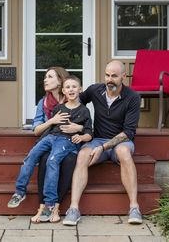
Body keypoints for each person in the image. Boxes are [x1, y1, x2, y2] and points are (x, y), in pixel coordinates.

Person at [62, 60, 142, 226]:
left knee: (123, 152)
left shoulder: (133, 97)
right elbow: (74, 103)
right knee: (83, 155)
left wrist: (103, 147)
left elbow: (128, 133)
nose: (109, 79)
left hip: (121, 142)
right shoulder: (95, 90)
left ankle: (134, 207)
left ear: (123, 77)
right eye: (107, 75)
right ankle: (73, 208)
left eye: (114, 76)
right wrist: (80, 126)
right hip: (97, 139)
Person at [8, 75, 92, 222]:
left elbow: (89, 133)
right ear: (63, 92)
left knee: (52, 161)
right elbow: (52, 127)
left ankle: (50, 202)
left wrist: (81, 136)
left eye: (74, 87)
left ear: (80, 89)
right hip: (51, 137)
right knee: (31, 156)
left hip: (66, 140)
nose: (71, 89)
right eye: (67, 87)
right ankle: (20, 191)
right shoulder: (58, 108)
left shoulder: (84, 111)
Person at [29, 67, 83, 224]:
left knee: (69, 161)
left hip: (70, 143)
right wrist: (52, 121)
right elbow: (36, 130)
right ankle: (43, 207)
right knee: (45, 159)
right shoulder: (43, 103)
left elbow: (85, 125)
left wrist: (78, 128)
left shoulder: (72, 98)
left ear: (60, 81)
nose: (45, 80)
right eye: (45, 77)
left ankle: (56, 206)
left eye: (49, 77)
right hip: (50, 141)